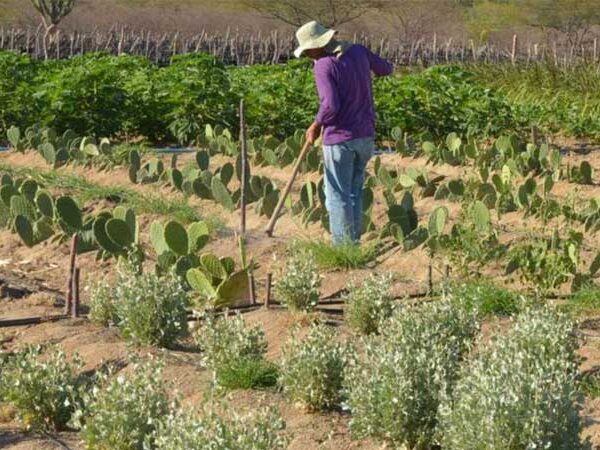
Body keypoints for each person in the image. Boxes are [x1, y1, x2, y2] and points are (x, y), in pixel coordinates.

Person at [294, 21, 393, 245]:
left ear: (319, 45)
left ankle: (341, 247)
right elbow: (386, 68)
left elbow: (330, 106)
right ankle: (353, 244)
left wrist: (316, 125)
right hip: (365, 137)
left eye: (309, 50)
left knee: (337, 195)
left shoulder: (323, 65)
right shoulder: (358, 51)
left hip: (339, 139)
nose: (308, 55)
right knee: (354, 192)